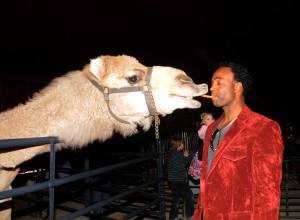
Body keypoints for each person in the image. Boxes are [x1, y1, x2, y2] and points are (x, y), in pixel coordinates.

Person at [194, 62, 284, 219]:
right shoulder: (210, 129)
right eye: (212, 83)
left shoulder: (263, 127)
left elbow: (267, 195)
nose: (212, 88)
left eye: (219, 82)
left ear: (237, 87)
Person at [168, 137, 195, 220]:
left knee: (190, 195)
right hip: (174, 181)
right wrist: (186, 157)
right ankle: (173, 217)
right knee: (176, 199)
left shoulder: (180, 153)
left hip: (181, 181)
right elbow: (181, 167)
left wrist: (191, 154)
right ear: (177, 145)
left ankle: (189, 214)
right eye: (181, 143)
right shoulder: (173, 155)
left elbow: (189, 158)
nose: (183, 145)